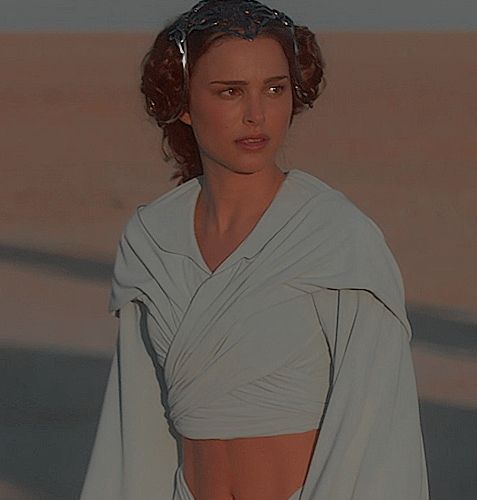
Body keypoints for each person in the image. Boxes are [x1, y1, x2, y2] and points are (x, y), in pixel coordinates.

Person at [80, 1, 430, 499]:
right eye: (230, 92)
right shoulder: (152, 238)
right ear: (182, 102)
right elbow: (133, 428)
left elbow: (376, 429)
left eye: (275, 88)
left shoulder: (336, 237)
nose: (257, 114)